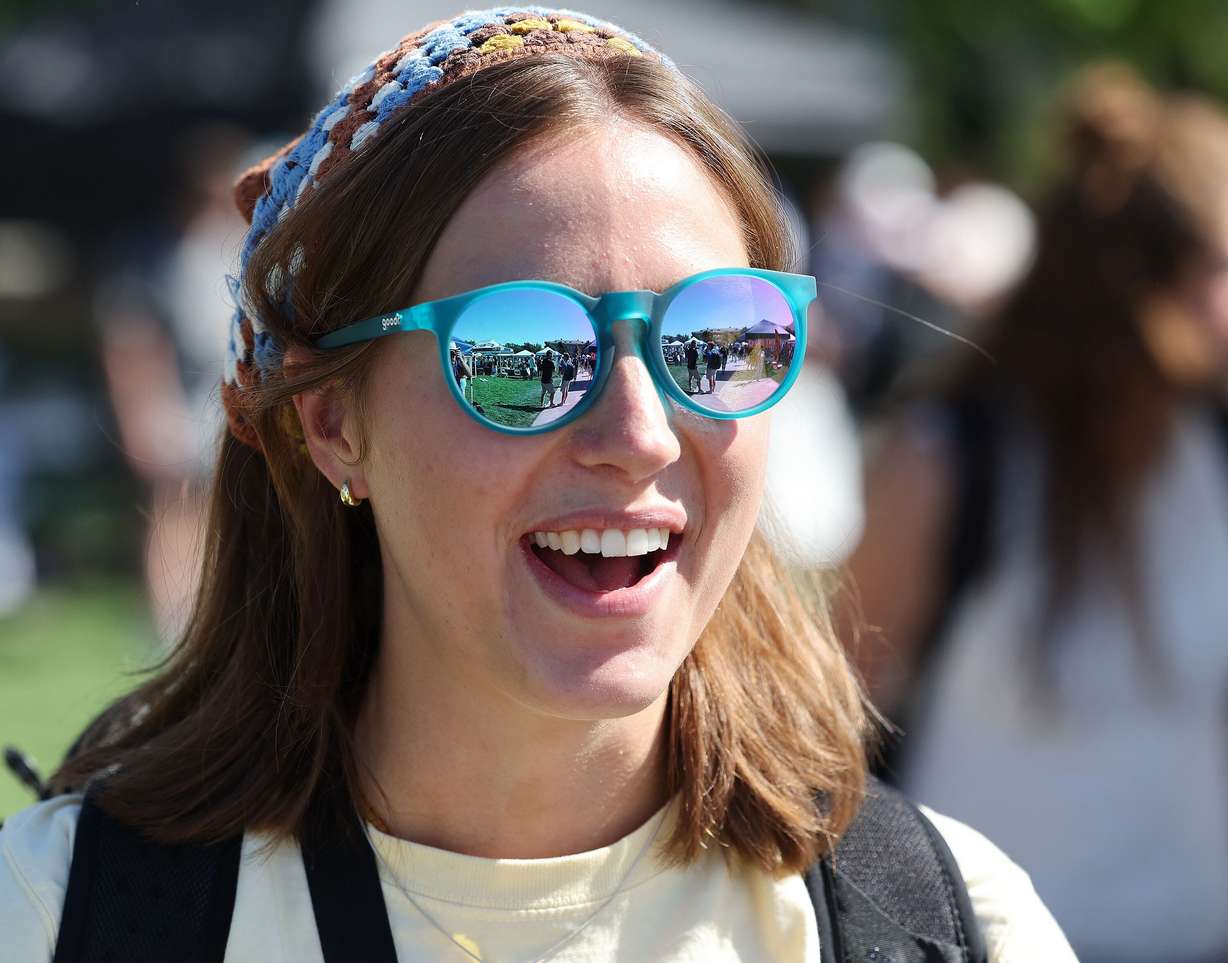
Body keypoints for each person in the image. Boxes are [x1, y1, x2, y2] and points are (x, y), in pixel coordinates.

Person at [1, 9, 1073, 962]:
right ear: (333, 425)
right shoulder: (63, 916)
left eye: (714, 340)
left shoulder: (949, 923)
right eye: (522, 353)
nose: (639, 434)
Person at [846, 64, 1228, 963]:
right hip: (981, 942)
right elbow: (825, 722)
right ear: (1140, 288)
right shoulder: (954, 459)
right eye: (1221, 266)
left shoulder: (1209, 451)